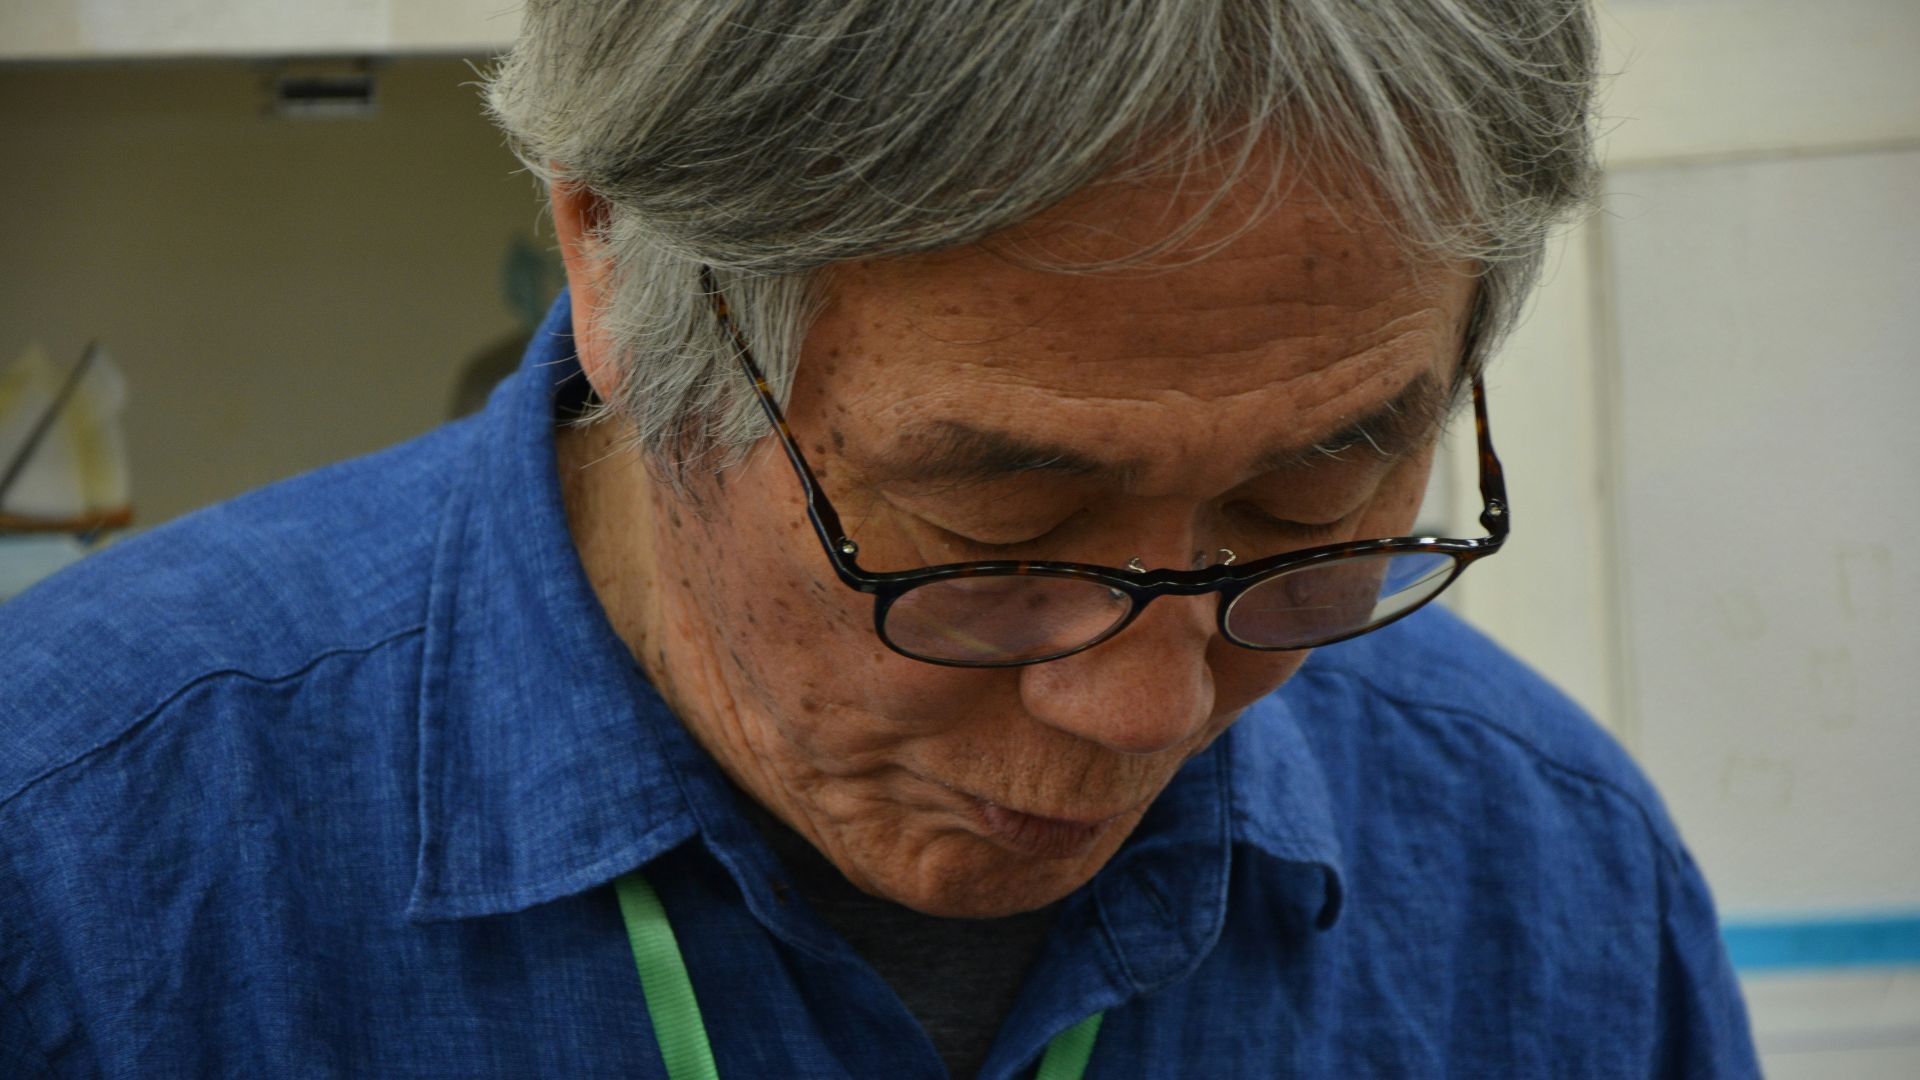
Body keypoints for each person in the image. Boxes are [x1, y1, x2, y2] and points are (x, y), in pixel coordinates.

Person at [0, 2, 1759, 1076]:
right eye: (999, 531)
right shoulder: (76, 871)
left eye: (1308, 508)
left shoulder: (1551, 881)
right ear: (609, 258)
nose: (1145, 710)